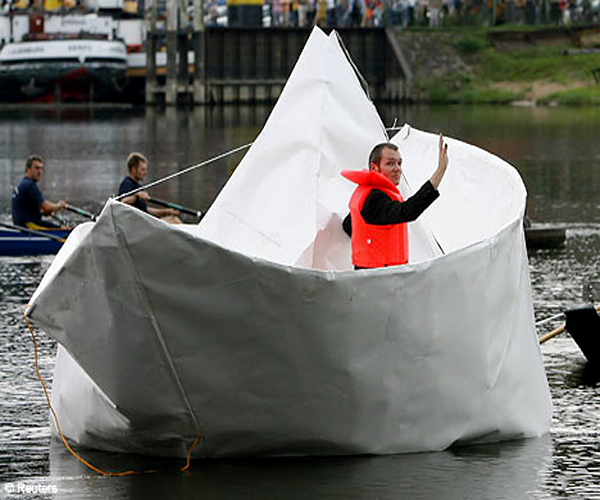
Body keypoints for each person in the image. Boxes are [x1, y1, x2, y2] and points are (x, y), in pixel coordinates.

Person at [342, 134, 449, 269]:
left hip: (372, 275)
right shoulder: (374, 199)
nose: (398, 168)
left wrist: (371, 241)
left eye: (399, 163)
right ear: (374, 168)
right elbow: (408, 211)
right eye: (390, 163)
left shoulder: (365, 192)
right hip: (378, 278)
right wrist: (440, 171)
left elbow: (348, 225)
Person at [118, 152, 181, 224]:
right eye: (142, 169)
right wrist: (136, 196)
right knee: (174, 221)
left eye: (145, 169)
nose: (145, 172)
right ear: (134, 169)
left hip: (143, 223)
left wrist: (166, 211)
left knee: (172, 218)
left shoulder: (138, 186)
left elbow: (146, 210)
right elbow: (123, 202)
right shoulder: (127, 183)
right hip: (136, 224)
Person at [12, 155, 67, 229]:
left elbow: (25, 211)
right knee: (64, 230)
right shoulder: (29, 185)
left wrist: (42, 213)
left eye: (41, 169)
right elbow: (46, 207)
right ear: (28, 169)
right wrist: (59, 205)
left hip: (23, 225)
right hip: (29, 226)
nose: (40, 171)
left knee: (61, 227)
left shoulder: (23, 184)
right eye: (37, 168)